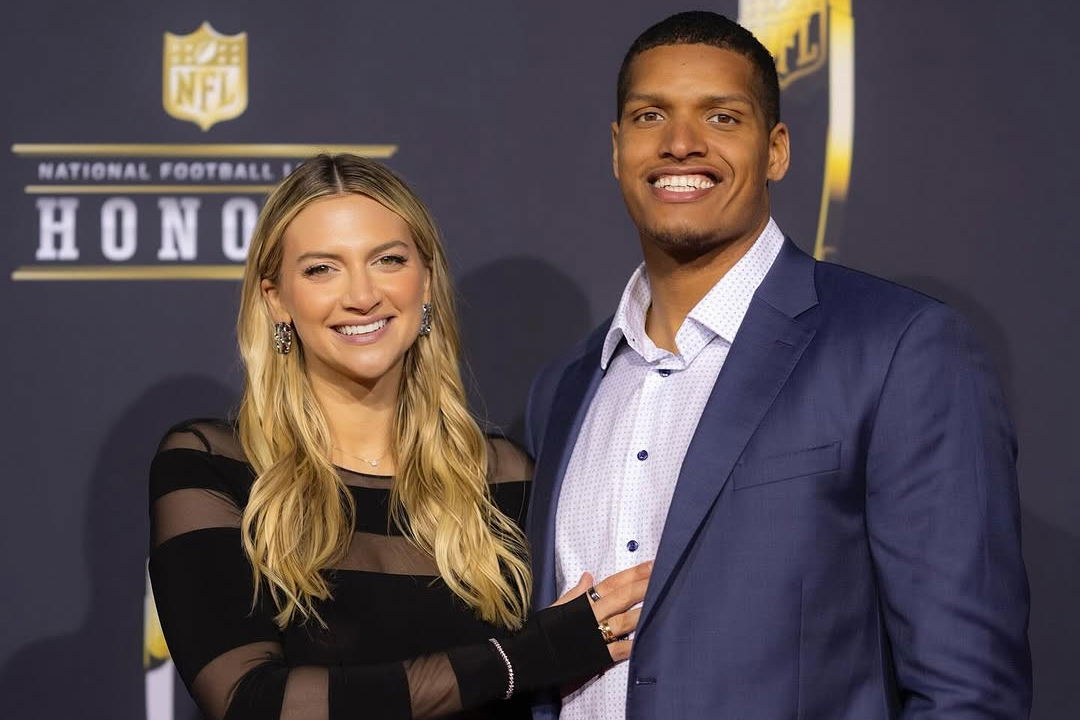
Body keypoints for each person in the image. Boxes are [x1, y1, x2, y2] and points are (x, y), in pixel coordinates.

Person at [525, 11, 1030, 720]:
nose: (680, 143)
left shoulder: (898, 349)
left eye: (721, 117)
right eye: (650, 116)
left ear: (777, 150)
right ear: (617, 149)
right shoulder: (566, 386)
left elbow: (967, 690)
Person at [148, 154, 650, 720]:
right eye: (322, 269)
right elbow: (251, 702)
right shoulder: (212, 466)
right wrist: (525, 656)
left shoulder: (506, 477)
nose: (362, 295)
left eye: (388, 260)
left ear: (426, 281)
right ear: (276, 299)